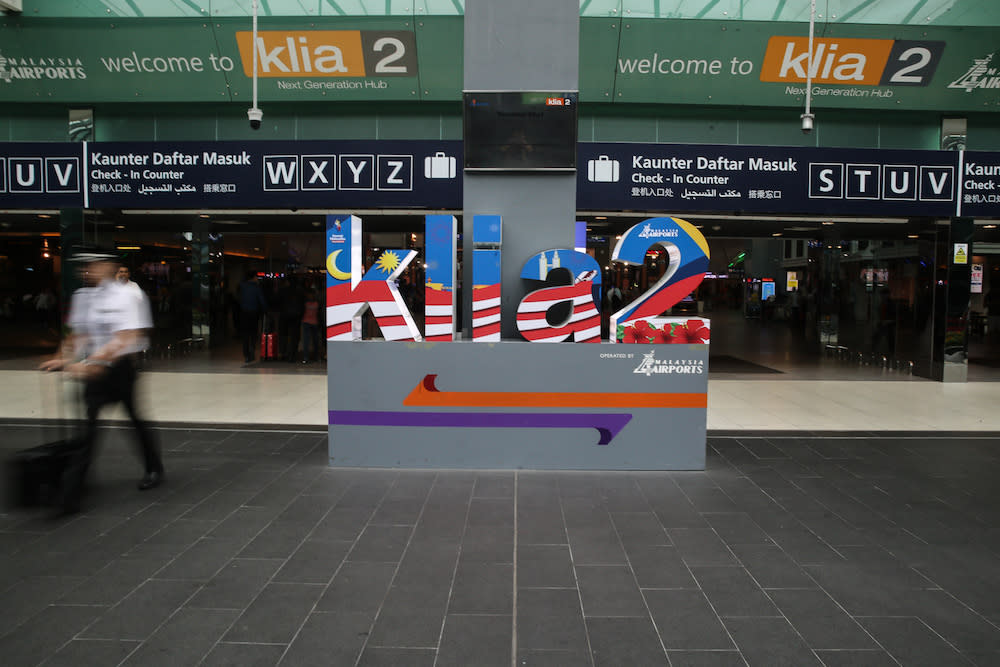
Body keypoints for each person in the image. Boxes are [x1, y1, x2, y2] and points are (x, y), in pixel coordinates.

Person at [39, 247, 164, 515]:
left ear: (109, 266)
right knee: (88, 431)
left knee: (135, 420)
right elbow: (76, 332)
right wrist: (60, 357)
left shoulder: (128, 295)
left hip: (120, 369)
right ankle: (69, 495)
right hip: (95, 371)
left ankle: (154, 467)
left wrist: (94, 362)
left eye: (92, 265)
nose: (86, 270)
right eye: (84, 266)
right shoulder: (83, 296)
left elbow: (128, 335)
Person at [238, 271, 267, 364]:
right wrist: (265, 310)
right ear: (254, 277)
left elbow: (239, 297)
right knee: (253, 333)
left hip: (244, 312)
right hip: (254, 313)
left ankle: (246, 354)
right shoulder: (256, 287)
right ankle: (252, 352)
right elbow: (261, 300)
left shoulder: (242, 286)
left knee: (245, 333)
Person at [300, 288, 319, 363]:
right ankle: (307, 357)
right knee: (308, 341)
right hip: (307, 322)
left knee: (313, 341)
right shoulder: (308, 303)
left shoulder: (307, 303)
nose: (310, 296)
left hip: (313, 322)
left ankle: (311, 357)